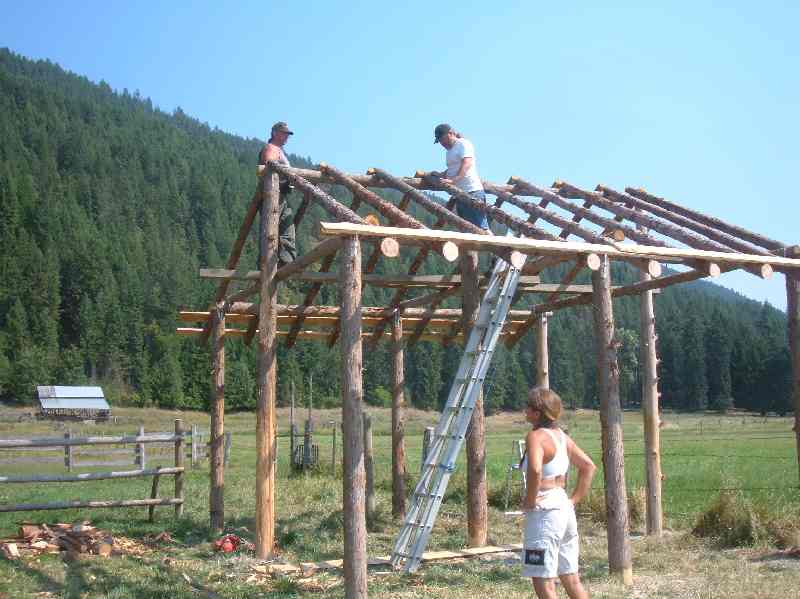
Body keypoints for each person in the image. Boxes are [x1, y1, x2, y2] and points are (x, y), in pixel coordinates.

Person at [521, 387, 595, 599]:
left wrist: (530, 499)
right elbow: (588, 466)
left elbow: (535, 469)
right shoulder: (561, 437)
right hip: (563, 508)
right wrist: (573, 500)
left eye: (528, 407)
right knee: (571, 578)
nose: (524, 410)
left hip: (545, 513)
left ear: (538, 413)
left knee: (542, 579)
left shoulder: (535, 436)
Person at [432, 123, 490, 230]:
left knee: (481, 228)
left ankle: (495, 246)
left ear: (450, 133)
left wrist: (453, 180)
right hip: (459, 194)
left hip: (472, 192)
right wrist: (441, 175)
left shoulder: (463, 143)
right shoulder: (449, 152)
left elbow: (467, 163)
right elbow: (453, 168)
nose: (442, 143)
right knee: (467, 229)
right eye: (439, 141)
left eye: (442, 139)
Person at [257, 121, 297, 268]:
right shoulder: (272, 147)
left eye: (287, 134)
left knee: (285, 229)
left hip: (280, 194)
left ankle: (285, 262)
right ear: (274, 133)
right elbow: (269, 163)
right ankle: (269, 264)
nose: (287, 136)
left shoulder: (279, 150)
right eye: (284, 133)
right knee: (272, 231)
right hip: (273, 194)